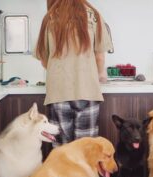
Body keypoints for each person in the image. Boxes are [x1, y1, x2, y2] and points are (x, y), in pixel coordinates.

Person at [35, 0, 113, 147]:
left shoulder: (49, 18)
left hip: (58, 93)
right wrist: (100, 74)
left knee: (62, 152)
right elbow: (100, 57)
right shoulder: (94, 15)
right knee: (85, 150)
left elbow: (45, 62)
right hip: (87, 91)